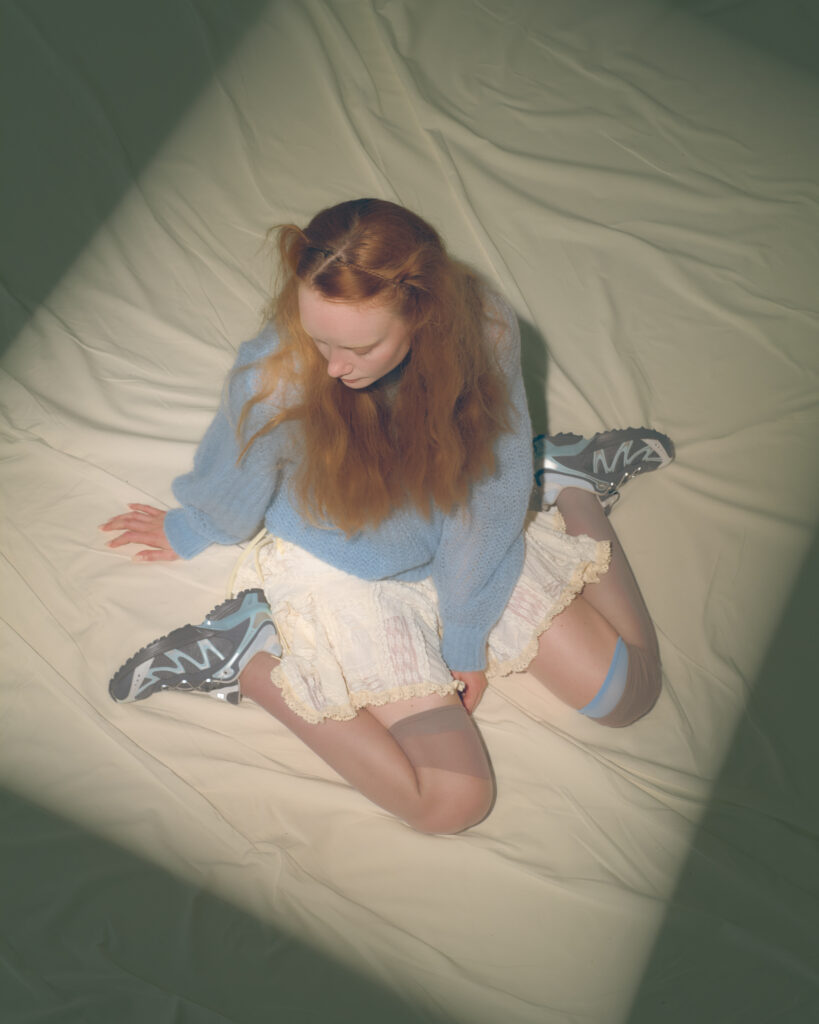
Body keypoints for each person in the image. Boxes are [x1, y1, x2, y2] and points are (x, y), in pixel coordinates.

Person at [100, 198, 674, 835]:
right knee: (452, 804)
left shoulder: (483, 327)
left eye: (358, 346)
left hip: (456, 530)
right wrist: (193, 526)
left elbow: (490, 486)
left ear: (422, 312)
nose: (333, 365)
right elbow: (237, 467)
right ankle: (248, 658)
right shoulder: (278, 373)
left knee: (630, 695)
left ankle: (565, 479)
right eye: (317, 336)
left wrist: (465, 634)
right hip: (342, 565)